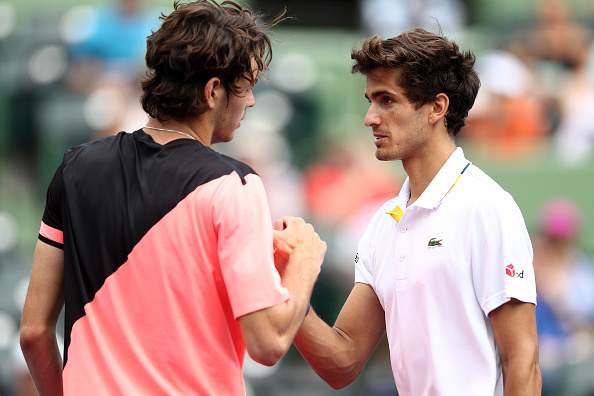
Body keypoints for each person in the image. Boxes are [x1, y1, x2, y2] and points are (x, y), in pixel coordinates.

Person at [19, 1, 326, 395]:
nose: (250, 102)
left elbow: (32, 332)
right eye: (246, 88)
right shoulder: (236, 184)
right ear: (214, 90)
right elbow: (268, 343)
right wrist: (304, 262)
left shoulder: (74, 168)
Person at [285, 28, 541, 395]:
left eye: (387, 100)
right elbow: (343, 361)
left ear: (437, 107)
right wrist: (286, 287)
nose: (370, 118)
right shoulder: (383, 222)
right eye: (371, 101)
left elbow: (523, 361)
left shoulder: (487, 208)